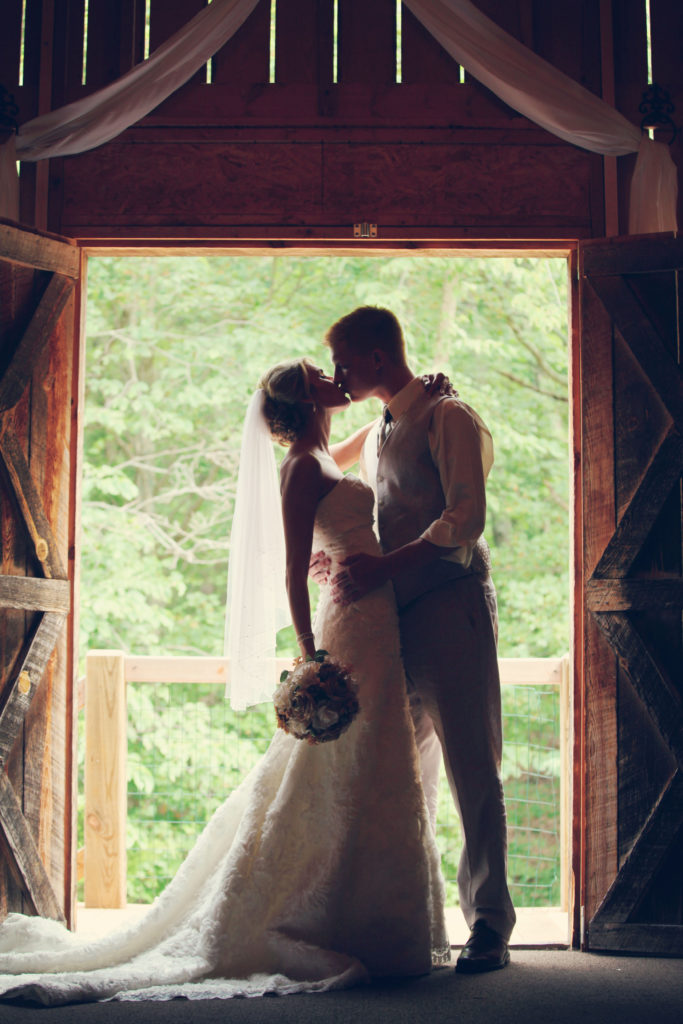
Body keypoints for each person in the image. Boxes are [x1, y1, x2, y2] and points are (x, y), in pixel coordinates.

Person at [0, 358, 448, 1006]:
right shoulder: (300, 468)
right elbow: (294, 572)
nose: (333, 375)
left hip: (374, 616)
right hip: (346, 626)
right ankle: (314, 913)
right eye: (318, 372)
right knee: (333, 762)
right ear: (304, 396)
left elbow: (356, 452)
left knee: (373, 763)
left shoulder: (321, 454)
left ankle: (371, 920)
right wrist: (310, 656)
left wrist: (404, 405)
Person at [320, 306, 516, 973]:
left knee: (471, 765)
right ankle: (416, 914)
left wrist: (384, 568)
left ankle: (489, 922)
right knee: (406, 773)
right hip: (391, 621)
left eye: (344, 360)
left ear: (378, 356)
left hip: (451, 606)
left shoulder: (447, 415)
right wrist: (341, 557)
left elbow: (465, 518)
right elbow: (353, 490)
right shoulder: (378, 429)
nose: (339, 374)